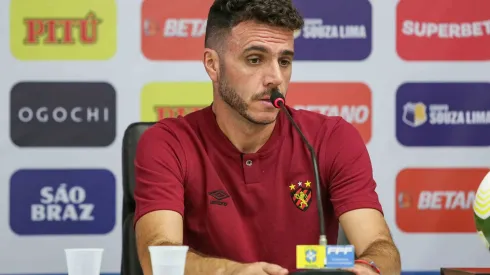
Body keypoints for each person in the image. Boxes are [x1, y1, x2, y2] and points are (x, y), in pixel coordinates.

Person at [133, 0, 401, 274]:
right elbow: (158, 259)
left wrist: (370, 268)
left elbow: (380, 247)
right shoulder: (168, 143)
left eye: (284, 61)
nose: (275, 78)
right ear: (212, 65)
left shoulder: (331, 138)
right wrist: (233, 272)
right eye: (254, 59)